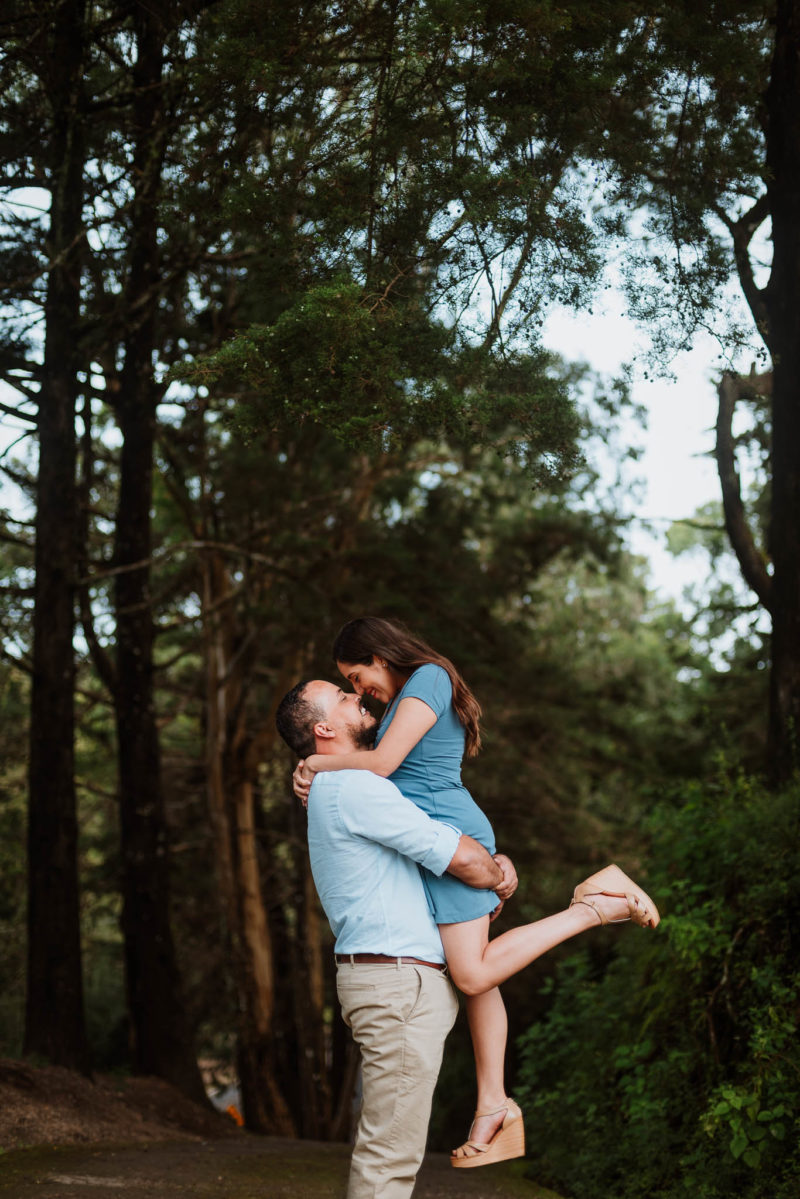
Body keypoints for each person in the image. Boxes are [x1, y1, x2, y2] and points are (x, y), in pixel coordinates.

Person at [293, 616, 660, 1168]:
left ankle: (595, 907)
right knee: (476, 978)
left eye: (357, 675)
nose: (360, 690)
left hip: (450, 837)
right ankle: (493, 1105)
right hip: (436, 844)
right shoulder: (394, 706)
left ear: (380, 655)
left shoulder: (428, 680)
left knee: (471, 972)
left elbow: (385, 766)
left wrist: (315, 763)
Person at [275, 677, 514, 1199]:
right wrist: (497, 873)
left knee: (387, 1156)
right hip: (398, 985)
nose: (358, 697)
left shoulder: (340, 787)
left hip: (390, 981)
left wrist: (487, 868)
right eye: (343, 697)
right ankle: (593, 908)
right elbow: (465, 861)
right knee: (388, 1163)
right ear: (324, 728)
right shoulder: (356, 788)